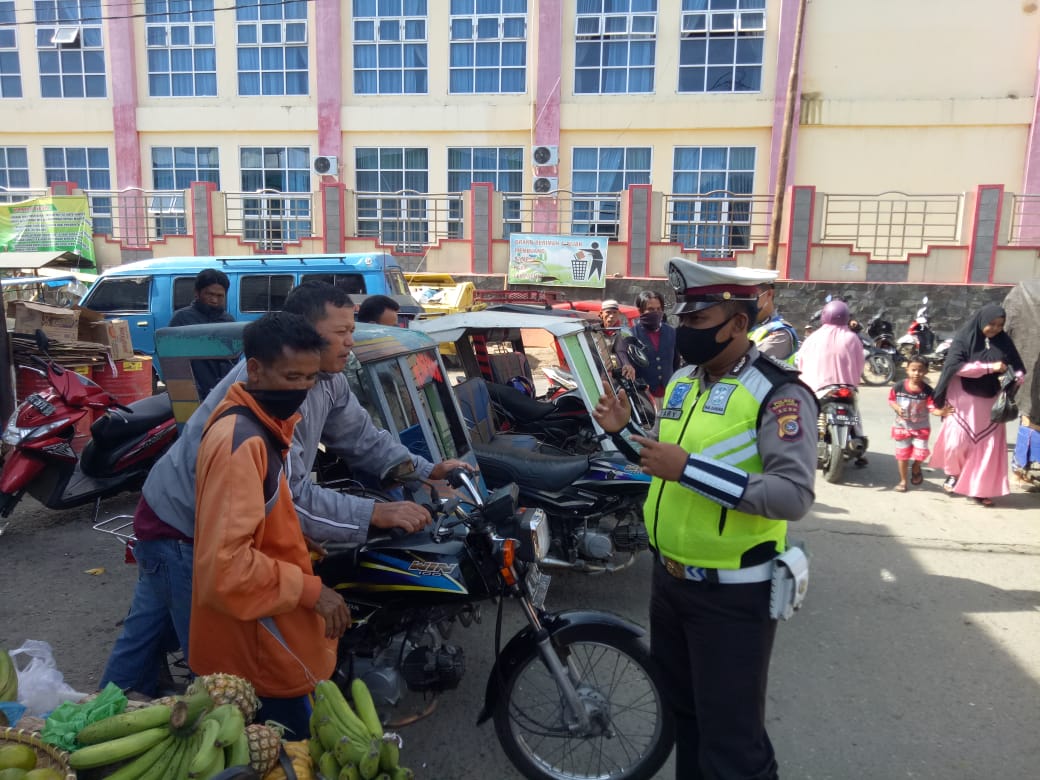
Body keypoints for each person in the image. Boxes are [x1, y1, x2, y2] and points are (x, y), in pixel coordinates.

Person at [100, 281, 469, 695]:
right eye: (341, 332)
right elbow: (287, 497)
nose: (350, 341)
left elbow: (363, 438)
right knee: (221, 677)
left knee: (145, 640)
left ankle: (105, 710)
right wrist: (373, 514)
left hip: (192, 522)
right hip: (184, 529)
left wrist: (425, 470)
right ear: (304, 335)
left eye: (351, 330)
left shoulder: (324, 379)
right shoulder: (276, 392)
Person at [593, 259, 817, 780]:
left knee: (732, 743)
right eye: (683, 320)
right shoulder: (682, 382)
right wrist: (623, 433)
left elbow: (793, 495)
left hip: (732, 596)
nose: (684, 330)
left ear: (737, 324)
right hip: (669, 583)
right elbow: (661, 462)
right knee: (686, 718)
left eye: (697, 321)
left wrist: (689, 469)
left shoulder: (779, 393)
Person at [191, 311, 349, 737]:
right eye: (291, 377)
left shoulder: (268, 426)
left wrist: (296, 538)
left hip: (271, 635)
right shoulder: (241, 442)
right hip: (260, 649)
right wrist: (312, 591)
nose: (301, 389)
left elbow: (257, 519)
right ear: (255, 370)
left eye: (310, 378)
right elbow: (226, 566)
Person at [929, 304, 1026, 506]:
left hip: (991, 403)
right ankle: (954, 474)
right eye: (991, 324)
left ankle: (981, 489)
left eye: (1000, 325)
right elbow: (955, 367)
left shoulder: (1004, 341)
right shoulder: (964, 339)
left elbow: (1018, 367)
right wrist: (989, 368)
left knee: (986, 448)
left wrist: (1016, 377)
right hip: (961, 400)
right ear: (981, 321)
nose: (995, 328)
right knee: (956, 444)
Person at [796, 298, 868, 463]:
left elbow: (801, 363)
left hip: (819, 389)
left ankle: (799, 443)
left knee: (804, 413)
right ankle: (860, 446)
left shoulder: (813, 338)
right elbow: (860, 363)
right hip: (847, 387)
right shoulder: (852, 338)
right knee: (855, 414)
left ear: (824, 315)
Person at [168, 269, 235, 399]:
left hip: (222, 393)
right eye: (209, 294)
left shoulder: (228, 322)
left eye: (220, 296)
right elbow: (172, 361)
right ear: (197, 293)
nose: (214, 300)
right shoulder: (181, 319)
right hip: (191, 393)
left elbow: (233, 362)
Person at [888, 355, 942, 492]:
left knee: (921, 453)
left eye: (920, 370)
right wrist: (897, 408)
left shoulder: (928, 391)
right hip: (901, 427)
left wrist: (942, 412)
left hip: (921, 428)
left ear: (926, 372)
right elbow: (891, 400)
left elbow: (932, 407)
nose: (916, 373)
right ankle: (903, 481)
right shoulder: (899, 386)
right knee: (902, 455)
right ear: (907, 369)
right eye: (913, 370)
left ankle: (916, 466)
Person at [631, 290, 679, 399]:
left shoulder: (671, 332)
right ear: (640, 311)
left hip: (669, 393)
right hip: (644, 396)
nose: (656, 313)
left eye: (658, 309)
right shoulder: (632, 334)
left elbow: (675, 362)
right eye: (651, 309)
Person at [749, 283, 799, 362]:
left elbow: (747, 362)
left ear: (769, 294)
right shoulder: (742, 327)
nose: (745, 303)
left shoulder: (781, 332)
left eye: (751, 296)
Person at [599, 298, 636, 380]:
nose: (611, 316)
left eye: (614, 312)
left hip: (619, 376)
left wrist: (627, 365)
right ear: (601, 314)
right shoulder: (594, 332)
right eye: (608, 312)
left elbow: (623, 353)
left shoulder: (625, 333)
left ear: (618, 314)